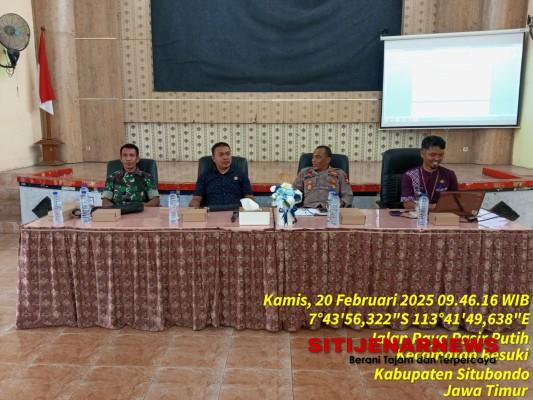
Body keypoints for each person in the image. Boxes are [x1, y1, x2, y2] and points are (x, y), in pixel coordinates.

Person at [401, 135, 458, 210]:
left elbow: (455, 201)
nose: (437, 159)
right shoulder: (410, 175)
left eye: (441, 155)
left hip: (442, 215)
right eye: (432, 155)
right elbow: (407, 204)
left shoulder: (450, 174)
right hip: (418, 215)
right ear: (422, 154)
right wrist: (433, 207)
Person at [189, 142, 254, 208]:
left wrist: (252, 208)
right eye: (221, 155)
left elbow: (249, 197)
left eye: (228, 154)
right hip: (212, 212)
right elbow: (196, 199)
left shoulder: (241, 175)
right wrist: (193, 209)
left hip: (236, 211)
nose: (225, 157)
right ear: (214, 158)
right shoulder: (204, 176)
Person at [102, 143, 160, 208]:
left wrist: (137, 208)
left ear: (137, 159)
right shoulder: (112, 177)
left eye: (132, 155)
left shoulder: (147, 177)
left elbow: (155, 200)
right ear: (121, 159)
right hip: (119, 212)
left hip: (140, 212)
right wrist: (119, 210)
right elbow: (105, 202)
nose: (128, 159)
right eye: (125, 155)